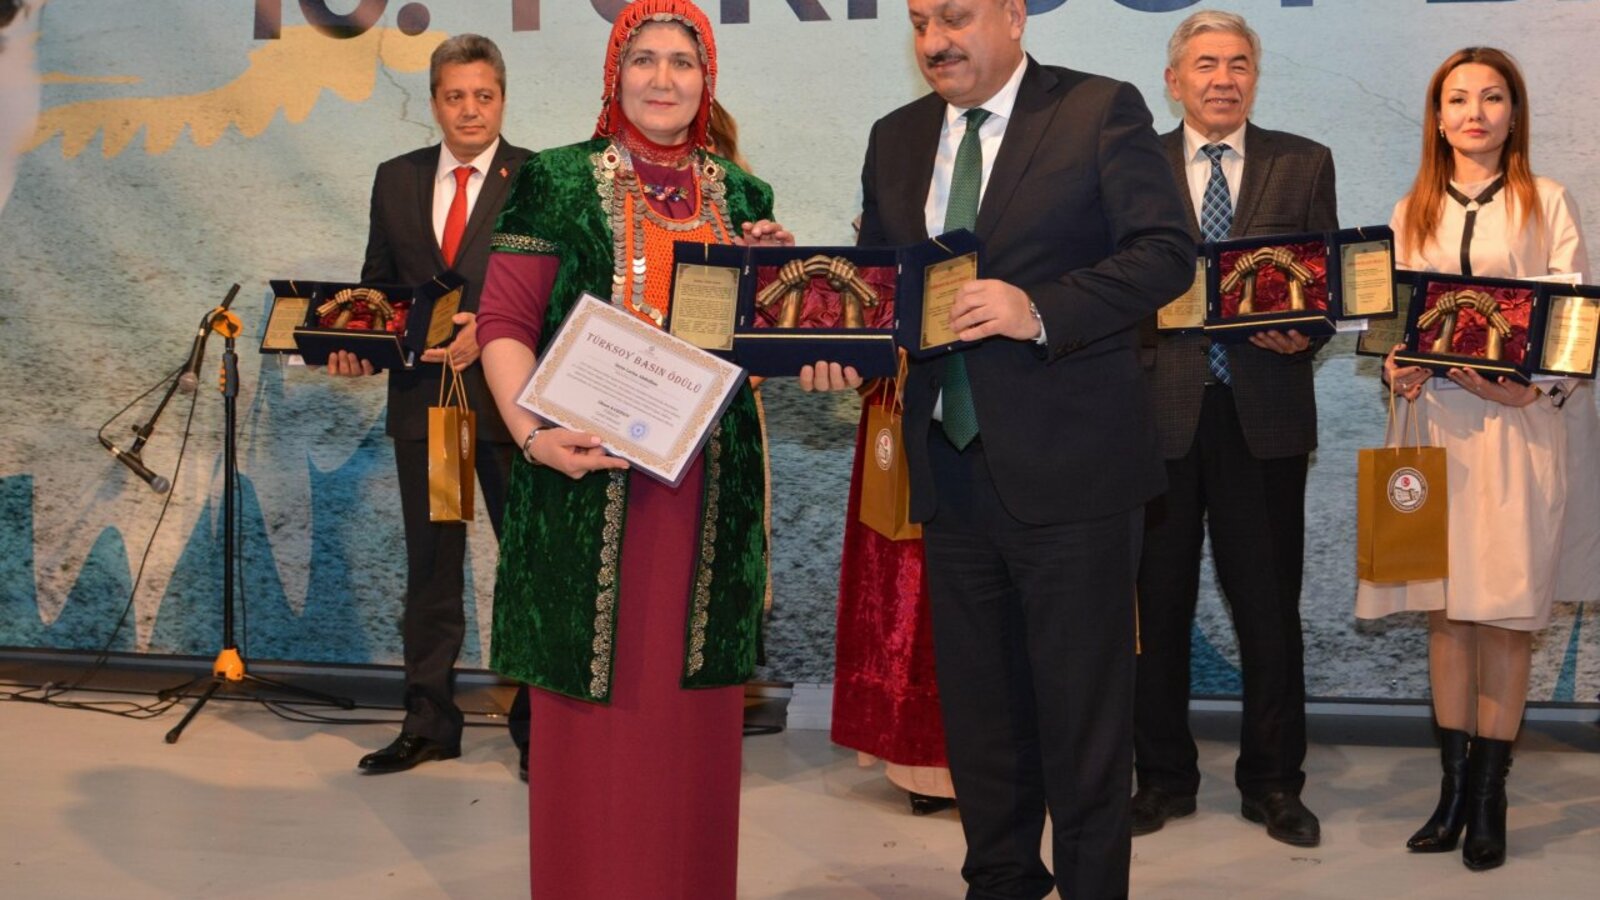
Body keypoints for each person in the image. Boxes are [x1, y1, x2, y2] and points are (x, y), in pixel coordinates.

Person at [808, 1, 1193, 895]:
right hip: (950, 470)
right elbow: (879, 285)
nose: (934, 41)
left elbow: (1166, 252)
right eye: (918, 22)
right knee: (981, 719)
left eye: (955, 16)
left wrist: (1039, 309)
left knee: (1084, 722)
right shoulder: (896, 136)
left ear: (1015, 16)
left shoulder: (1098, 108)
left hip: (1077, 473)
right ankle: (1001, 881)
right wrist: (831, 340)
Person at [473, 3, 791, 896]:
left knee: (692, 732)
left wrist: (777, 281)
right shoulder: (556, 181)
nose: (662, 78)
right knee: (596, 735)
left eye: (682, 62)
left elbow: (759, 346)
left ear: (707, 80)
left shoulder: (744, 196)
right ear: (615, 74)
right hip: (587, 485)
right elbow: (502, 323)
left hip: (709, 502)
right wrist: (534, 435)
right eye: (643, 59)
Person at [1363, 46, 1599, 872]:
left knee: (1503, 614)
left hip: (1516, 432)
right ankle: (1453, 793)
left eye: (1492, 97)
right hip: (1432, 431)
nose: (1475, 112)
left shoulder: (1549, 201)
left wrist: (1525, 390)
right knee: (1446, 613)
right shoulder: (1411, 208)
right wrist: (1395, 364)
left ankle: (1492, 797)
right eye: (1458, 98)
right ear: (1437, 117)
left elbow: (1573, 320)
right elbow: (1390, 319)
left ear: (1514, 113)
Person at [1130, 10, 1337, 847]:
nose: (1224, 79)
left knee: (1269, 611)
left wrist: (1307, 333)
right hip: (1156, 419)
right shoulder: (1132, 162)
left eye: (1239, 64)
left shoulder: (1303, 162)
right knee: (1155, 609)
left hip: (1265, 417)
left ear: (1256, 77)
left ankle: (1275, 784)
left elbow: (1326, 286)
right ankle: (1161, 778)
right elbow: (1109, 280)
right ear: (1174, 80)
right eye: (1207, 63)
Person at [328, 33, 530, 777]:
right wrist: (356, 343)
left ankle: (542, 730)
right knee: (433, 569)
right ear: (435, 102)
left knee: (528, 569)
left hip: (511, 410)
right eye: (455, 96)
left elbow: (565, 291)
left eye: (484, 95)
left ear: (502, 99)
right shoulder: (397, 178)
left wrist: (497, 329)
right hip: (428, 409)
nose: (470, 110)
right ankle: (429, 722)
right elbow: (376, 287)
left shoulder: (538, 178)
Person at [830, 377, 955, 816]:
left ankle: (1028, 759)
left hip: (1024, 392)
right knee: (913, 582)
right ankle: (923, 765)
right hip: (908, 388)